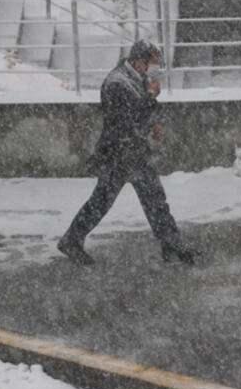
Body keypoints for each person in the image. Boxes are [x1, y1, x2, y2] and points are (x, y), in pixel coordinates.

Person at [57, 40, 199, 266]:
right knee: (104, 201)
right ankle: (71, 240)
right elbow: (130, 117)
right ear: (138, 60)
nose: (154, 68)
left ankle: (171, 245)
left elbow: (143, 112)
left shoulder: (135, 78)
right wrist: (151, 97)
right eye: (152, 63)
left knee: (153, 200)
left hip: (134, 152)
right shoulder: (117, 83)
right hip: (118, 153)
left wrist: (155, 122)